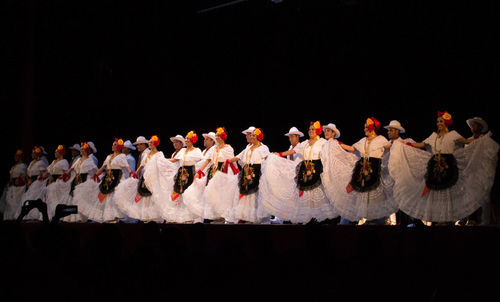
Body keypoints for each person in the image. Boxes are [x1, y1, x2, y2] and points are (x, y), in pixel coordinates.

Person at [389, 111, 498, 224]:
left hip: (449, 168)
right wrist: (405, 144)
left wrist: (482, 140)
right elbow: (421, 144)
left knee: (448, 193)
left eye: (441, 121)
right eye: (437, 121)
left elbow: (467, 141)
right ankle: (438, 220)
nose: (439, 123)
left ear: (446, 122)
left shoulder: (453, 134)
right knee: (437, 194)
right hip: (436, 168)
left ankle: (449, 220)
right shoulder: (433, 136)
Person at [322, 117, 396, 225]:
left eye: (366, 127)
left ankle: (376, 218)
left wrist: (396, 143)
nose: (364, 129)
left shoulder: (381, 139)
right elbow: (352, 148)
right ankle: (368, 218)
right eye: (364, 127)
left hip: (375, 169)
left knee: (374, 193)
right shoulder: (363, 141)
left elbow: (387, 147)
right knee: (364, 194)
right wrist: (338, 144)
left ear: (372, 128)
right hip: (363, 170)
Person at [262, 122, 337, 224]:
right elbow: (293, 151)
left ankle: (316, 219)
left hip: (317, 171)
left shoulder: (323, 142)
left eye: (313, 129)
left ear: (318, 131)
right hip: (305, 171)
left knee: (315, 196)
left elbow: (329, 155)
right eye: (310, 129)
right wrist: (279, 154)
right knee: (305, 196)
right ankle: (306, 218)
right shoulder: (305, 143)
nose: (311, 131)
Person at [74, 138, 135, 223]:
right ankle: (109, 216)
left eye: (115, 144)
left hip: (117, 178)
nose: (113, 146)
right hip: (108, 178)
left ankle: (115, 216)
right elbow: (102, 168)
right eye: (113, 144)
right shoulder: (109, 157)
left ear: (119, 146)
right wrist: (95, 175)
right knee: (106, 197)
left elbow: (127, 167)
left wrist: (132, 174)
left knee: (114, 196)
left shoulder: (122, 156)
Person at [187, 127, 239, 223]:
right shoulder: (213, 148)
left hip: (223, 172)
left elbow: (232, 162)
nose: (217, 137)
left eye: (218, 135)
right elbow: (207, 161)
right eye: (216, 135)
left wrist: (235, 174)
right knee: (213, 194)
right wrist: (199, 172)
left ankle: (223, 216)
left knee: (222, 194)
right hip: (213, 172)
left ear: (223, 137)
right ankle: (216, 216)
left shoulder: (228, 148)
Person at [456, 117, 498, 225]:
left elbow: (491, 154)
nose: (472, 127)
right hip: (471, 173)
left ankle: (485, 222)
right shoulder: (468, 141)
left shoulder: (485, 139)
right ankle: (468, 219)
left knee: (484, 197)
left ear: (480, 127)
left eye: (474, 125)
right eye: (471, 125)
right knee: (468, 196)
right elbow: (465, 157)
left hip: (482, 172)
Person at [114, 135, 165, 222]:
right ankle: (146, 216)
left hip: (153, 178)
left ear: (155, 144)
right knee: (144, 197)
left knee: (152, 198)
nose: (150, 144)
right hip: (145, 178)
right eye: (149, 142)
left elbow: (162, 165)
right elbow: (142, 165)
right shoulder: (146, 155)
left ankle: (154, 218)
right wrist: (135, 173)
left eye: (151, 142)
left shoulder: (159, 154)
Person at [227, 127, 270, 223]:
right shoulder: (248, 148)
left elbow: (269, 160)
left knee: (255, 195)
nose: (252, 137)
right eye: (251, 135)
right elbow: (239, 156)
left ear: (259, 137)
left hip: (257, 172)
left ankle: (255, 217)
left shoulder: (263, 148)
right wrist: (227, 161)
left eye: (254, 135)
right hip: (247, 172)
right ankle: (247, 216)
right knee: (246, 195)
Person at [383, 120, 416, 226]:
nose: (388, 132)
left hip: (402, 178)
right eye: (388, 130)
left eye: (391, 130)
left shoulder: (403, 143)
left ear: (397, 132)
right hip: (391, 178)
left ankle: (407, 222)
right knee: (393, 201)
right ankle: (396, 223)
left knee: (403, 201)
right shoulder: (389, 144)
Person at [167, 131, 202, 223]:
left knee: (188, 195)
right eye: (185, 138)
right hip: (181, 173)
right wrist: (162, 159)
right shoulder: (182, 150)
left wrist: (198, 173)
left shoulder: (196, 150)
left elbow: (201, 161)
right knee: (180, 194)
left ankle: (189, 217)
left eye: (188, 138)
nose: (186, 140)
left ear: (192, 140)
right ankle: (181, 217)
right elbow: (174, 160)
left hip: (190, 172)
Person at [60, 142, 98, 222]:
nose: (81, 150)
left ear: (86, 151)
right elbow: (70, 170)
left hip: (84, 181)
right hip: (76, 180)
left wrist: (98, 177)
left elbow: (96, 170)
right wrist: (63, 175)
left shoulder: (89, 160)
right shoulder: (78, 160)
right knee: (74, 199)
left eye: (83, 149)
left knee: (81, 199)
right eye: (81, 149)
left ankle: (83, 216)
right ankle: (74, 216)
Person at [18, 146, 49, 221]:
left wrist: (39, 178)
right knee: (27, 197)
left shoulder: (41, 162)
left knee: (34, 198)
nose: (32, 154)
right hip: (31, 182)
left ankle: (35, 215)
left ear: (37, 154)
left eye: (33, 153)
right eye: (32, 153)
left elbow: (44, 174)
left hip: (38, 183)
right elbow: (29, 173)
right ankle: (27, 215)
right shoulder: (32, 162)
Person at [44, 145, 70, 219]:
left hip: (59, 181)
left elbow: (67, 173)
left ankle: (58, 214)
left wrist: (63, 178)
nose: (55, 153)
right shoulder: (54, 161)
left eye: (56, 152)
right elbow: (48, 171)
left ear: (61, 153)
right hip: (52, 181)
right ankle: (51, 214)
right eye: (55, 152)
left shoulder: (64, 162)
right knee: (50, 197)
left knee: (56, 197)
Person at [1, 150, 27, 220]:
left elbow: (23, 177)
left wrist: (19, 182)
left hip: (18, 187)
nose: (15, 157)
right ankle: (8, 217)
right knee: (9, 201)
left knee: (15, 202)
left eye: (17, 156)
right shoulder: (14, 166)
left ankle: (15, 217)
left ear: (20, 157)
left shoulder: (23, 166)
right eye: (15, 156)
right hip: (11, 186)